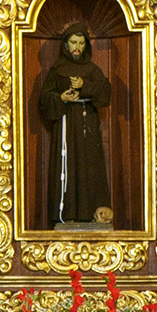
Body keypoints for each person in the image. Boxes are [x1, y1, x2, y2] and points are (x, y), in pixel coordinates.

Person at [34, 26, 113, 227]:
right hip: (66, 124)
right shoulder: (56, 70)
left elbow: (105, 93)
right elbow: (44, 100)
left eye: (81, 43)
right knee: (67, 166)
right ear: (66, 44)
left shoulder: (92, 69)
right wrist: (61, 97)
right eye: (73, 42)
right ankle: (67, 213)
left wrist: (84, 85)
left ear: (85, 45)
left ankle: (93, 213)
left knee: (90, 167)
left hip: (88, 125)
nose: (77, 47)